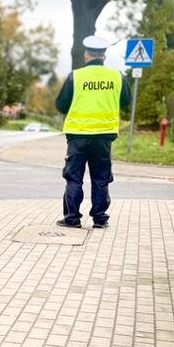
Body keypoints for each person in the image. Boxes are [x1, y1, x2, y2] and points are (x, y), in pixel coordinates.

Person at [54, 35, 131, 229]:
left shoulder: (76, 76)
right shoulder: (117, 77)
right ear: (103, 56)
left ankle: (72, 219)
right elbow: (126, 101)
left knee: (74, 177)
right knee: (100, 177)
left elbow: (61, 104)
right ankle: (99, 218)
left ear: (86, 54)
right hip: (104, 135)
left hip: (78, 135)